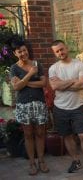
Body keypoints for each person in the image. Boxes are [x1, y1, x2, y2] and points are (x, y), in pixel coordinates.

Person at [49, 40, 83, 176]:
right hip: (60, 107)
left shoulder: (79, 65)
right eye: (57, 51)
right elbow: (54, 87)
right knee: (67, 136)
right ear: (55, 53)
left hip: (77, 106)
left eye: (62, 49)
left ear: (66, 48)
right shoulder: (53, 68)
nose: (60, 52)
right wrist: (73, 81)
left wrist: (63, 84)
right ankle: (76, 161)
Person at [9, 40, 49, 175]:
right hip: (24, 105)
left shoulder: (37, 64)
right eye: (19, 51)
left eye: (24, 50)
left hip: (39, 103)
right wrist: (31, 74)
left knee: (40, 133)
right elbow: (16, 87)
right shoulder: (14, 68)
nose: (23, 53)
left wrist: (24, 83)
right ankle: (32, 163)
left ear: (27, 50)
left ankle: (41, 161)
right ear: (15, 53)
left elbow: (44, 83)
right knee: (28, 134)